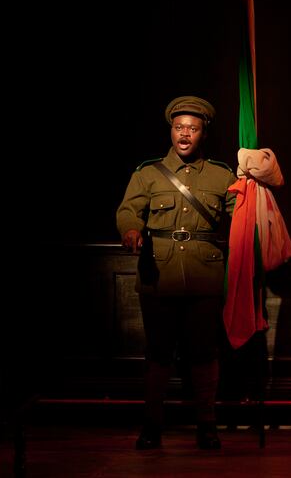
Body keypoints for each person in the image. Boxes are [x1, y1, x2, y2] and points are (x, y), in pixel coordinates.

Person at [116, 95, 237, 450]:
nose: (185, 134)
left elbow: (242, 215)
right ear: (171, 130)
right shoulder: (148, 173)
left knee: (203, 353)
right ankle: (152, 425)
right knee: (158, 353)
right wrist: (130, 230)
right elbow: (128, 210)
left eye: (192, 128)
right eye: (179, 127)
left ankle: (207, 426)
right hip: (159, 275)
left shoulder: (222, 174)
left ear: (203, 133)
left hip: (204, 276)